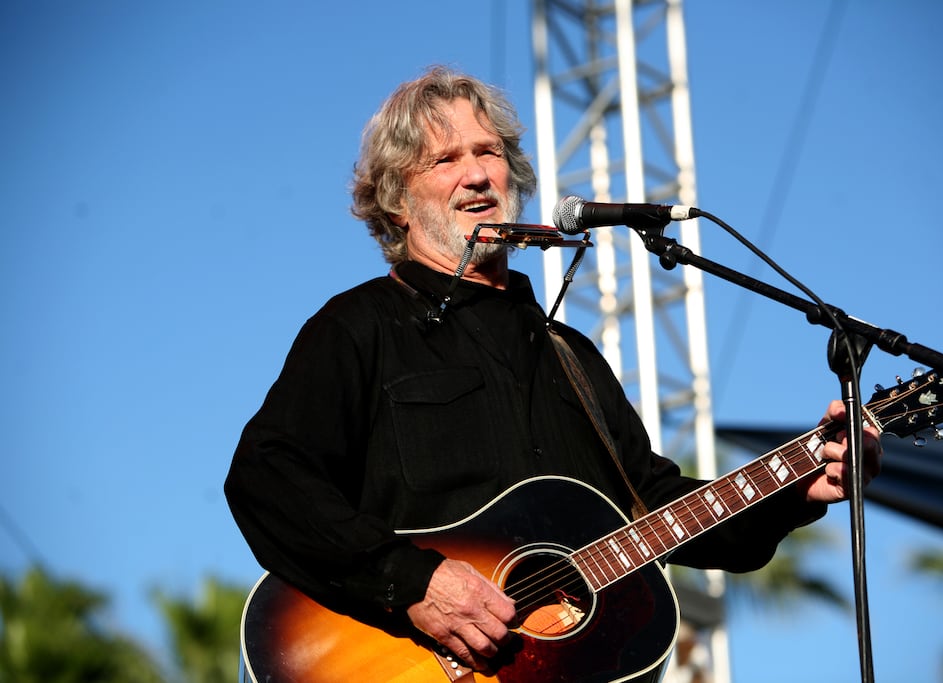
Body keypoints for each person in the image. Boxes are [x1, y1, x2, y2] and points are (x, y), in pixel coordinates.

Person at [224, 65, 882, 676]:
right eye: (446, 158)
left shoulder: (571, 356)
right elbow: (266, 475)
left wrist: (798, 483)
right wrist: (413, 582)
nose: (477, 174)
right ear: (397, 199)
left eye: (489, 152)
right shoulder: (360, 325)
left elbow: (651, 504)